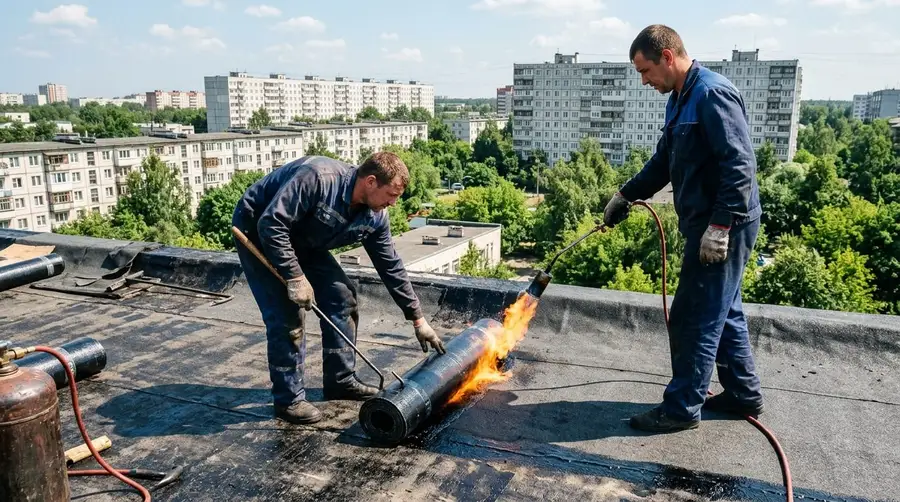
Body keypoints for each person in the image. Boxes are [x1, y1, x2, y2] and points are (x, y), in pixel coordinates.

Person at [603, 24, 764, 433]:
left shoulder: (711, 94)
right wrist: (626, 195)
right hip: (705, 224)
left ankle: (680, 408)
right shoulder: (679, 99)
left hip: (724, 226)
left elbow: (740, 166)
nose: (644, 81)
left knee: (693, 315)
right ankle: (743, 393)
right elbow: (664, 161)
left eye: (645, 71)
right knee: (723, 310)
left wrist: (720, 226)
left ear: (667, 57)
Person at [232, 152, 446, 425]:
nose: (393, 203)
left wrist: (418, 319)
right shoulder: (318, 179)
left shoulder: (375, 216)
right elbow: (272, 224)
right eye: (391, 195)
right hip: (260, 230)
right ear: (371, 181)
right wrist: (296, 277)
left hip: (303, 238)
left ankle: (340, 380)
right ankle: (288, 400)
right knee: (287, 317)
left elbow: (390, 266)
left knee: (342, 297)